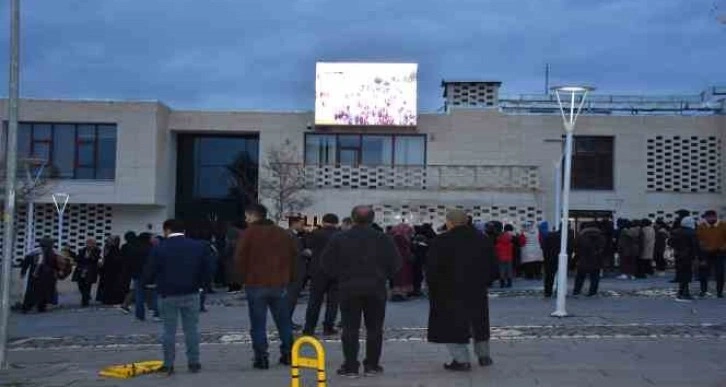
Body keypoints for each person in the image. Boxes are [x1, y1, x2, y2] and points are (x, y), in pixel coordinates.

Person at [320, 205, 402, 377]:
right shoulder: (383, 238)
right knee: (374, 328)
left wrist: (340, 276)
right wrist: (383, 276)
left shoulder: (340, 238)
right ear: (372, 219)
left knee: (350, 328)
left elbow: (326, 262)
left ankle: (350, 366)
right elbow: (396, 263)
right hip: (375, 287)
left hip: (349, 287)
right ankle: (372, 365)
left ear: (353, 218)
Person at [426, 209, 494, 372]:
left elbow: (432, 269)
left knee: (452, 324)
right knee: (479, 322)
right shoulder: (482, 239)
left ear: (449, 222)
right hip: (476, 289)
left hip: (449, 290)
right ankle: (484, 356)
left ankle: (461, 359)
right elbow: (492, 267)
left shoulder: (441, 241)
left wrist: (432, 287)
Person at [144, 219, 212, 375]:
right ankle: (194, 362)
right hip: (191, 292)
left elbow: (150, 271)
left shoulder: (159, 248)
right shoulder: (198, 246)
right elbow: (207, 269)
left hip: (167, 294)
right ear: (184, 231)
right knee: (192, 330)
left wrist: (149, 283)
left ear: (166, 230)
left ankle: (168, 364)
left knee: (168, 330)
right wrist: (201, 285)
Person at [235, 203, 298, 370]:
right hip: (279, 283)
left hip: (255, 283)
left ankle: (261, 357)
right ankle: (288, 354)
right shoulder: (281, 233)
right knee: (283, 321)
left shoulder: (248, 234)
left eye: (247, 216)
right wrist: (288, 277)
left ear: (253, 216)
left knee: (258, 323)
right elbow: (293, 256)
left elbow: (239, 258)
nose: (246, 219)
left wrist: (242, 279)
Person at [303, 213, 340, 336]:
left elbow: (308, 251)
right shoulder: (341, 235)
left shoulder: (315, 234)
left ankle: (309, 328)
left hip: (318, 271)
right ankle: (328, 327)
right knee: (333, 302)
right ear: (336, 223)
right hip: (335, 272)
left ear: (323, 222)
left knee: (314, 301)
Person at [20, 238, 60, 313]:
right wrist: (23, 272)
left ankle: (41, 307)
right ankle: (27, 307)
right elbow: (26, 263)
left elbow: (57, 264)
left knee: (45, 293)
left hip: (47, 276)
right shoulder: (35, 252)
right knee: (32, 293)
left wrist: (57, 272)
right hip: (36, 276)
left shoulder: (53, 253)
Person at [696, 210, 726, 298]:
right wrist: (701, 250)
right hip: (706, 252)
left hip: (720, 252)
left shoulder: (723, 225)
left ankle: (719, 292)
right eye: (707, 217)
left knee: (720, 273)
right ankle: (703, 291)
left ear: (715, 217)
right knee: (703, 272)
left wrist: (724, 247)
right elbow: (699, 239)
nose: (710, 219)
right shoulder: (702, 226)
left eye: (711, 217)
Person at [669, 217, 699, 301]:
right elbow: (695, 245)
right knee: (687, 274)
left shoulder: (675, 232)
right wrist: (697, 256)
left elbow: (670, 243)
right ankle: (685, 293)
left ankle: (681, 292)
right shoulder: (692, 233)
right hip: (688, 256)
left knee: (681, 273)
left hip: (678, 255)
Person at [573, 223, 606, 297]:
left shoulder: (581, 237)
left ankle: (576, 291)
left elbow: (576, 248)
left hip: (583, 260)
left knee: (580, 277)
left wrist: (576, 258)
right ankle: (592, 292)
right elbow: (604, 248)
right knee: (595, 277)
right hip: (596, 260)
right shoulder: (601, 237)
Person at [73, 239, 101, 307]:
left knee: (87, 286)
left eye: (91, 244)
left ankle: (85, 301)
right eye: (88, 243)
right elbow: (78, 258)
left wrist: (90, 252)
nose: (89, 245)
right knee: (80, 285)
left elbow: (94, 259)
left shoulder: (97, 250)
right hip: (81, 269)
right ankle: (86, 296)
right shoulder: (82, 250)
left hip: (90, 271)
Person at [390, 223, 414, 302]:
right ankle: (400, 294)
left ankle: (398, 293)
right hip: (402, 259)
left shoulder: (395, 236)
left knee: (400, 278)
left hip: (398, 260)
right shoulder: (400, 237)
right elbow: (405, 249)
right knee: (402, 277)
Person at [97, 235, 124, 304]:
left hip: (111, 271)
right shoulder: (111, 249)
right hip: (110, 271)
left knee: (110, 286)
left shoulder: (112, 249)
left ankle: (109, 299)